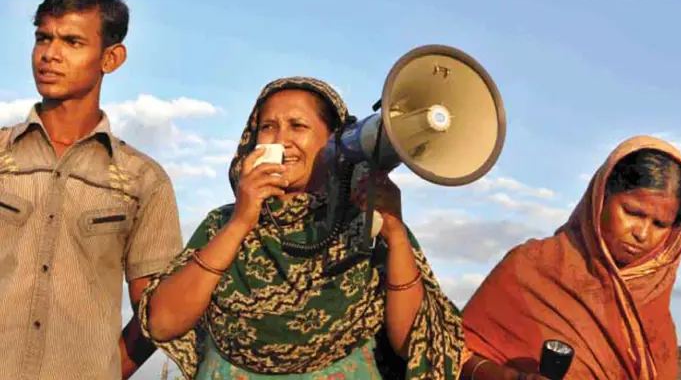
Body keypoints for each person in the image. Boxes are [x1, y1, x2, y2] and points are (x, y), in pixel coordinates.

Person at [137, 77, 467, 379]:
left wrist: (394, 234)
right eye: (268, 127)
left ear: (334, 142)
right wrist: (241, 222)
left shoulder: (370, 228)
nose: (282, 140)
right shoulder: (222, 225)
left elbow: (414, 344)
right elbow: (163, 323)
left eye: (298, 126)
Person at [0, 0, 183, 379]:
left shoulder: (142, 180)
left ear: (111, 58)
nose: (50, 54)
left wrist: (105, 369)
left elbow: (156, 317)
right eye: (43, 38)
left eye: (72, 41)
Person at [459, 136, 681, 380]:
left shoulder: (654, 310)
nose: (642, 234)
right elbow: (451, 355)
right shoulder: (529, 268)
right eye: (633, 212)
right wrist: (513, 378)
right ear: (601, 197)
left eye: (660, 224)